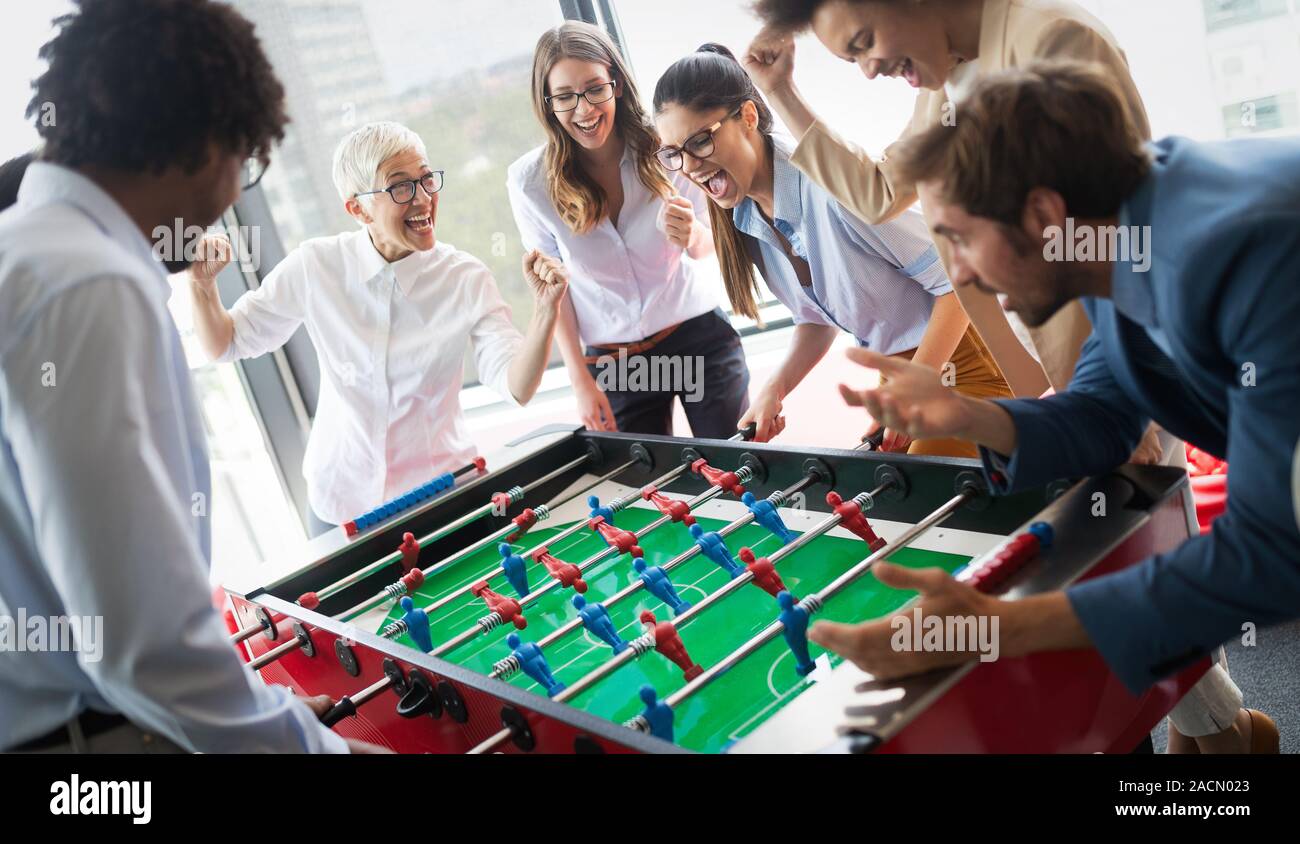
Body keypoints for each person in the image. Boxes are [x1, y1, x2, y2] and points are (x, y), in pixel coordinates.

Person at [818, 61, 1295, 754]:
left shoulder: (1239, 253)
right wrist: (967, 415)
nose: (961, 275)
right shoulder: (1123, 226)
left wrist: (993, 627)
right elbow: (1104, 414)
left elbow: (1271, 554)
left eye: (960, 237)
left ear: (1043, 213)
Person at [0, 0, 379, 753]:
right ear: (205, 143)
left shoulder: (26, 248)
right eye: (248, 160)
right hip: (84, 744)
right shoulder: (89, 282)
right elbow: (141, 639)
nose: (237, 191)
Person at [743, 0, 1145, 404]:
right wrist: (780, 90)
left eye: (865, 43)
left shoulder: (1055, 38)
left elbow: (1114, 227)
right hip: (1051, 369)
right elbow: (878, 193)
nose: (870, 70)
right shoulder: (943, 83)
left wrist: (1119, 394)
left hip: (1117, 371)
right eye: (853, 60)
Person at [190, 121, 567, 531]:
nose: (423, 198)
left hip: (440, 497)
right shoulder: (316, 266)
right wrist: (201, 284)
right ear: (358, 208)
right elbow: (225, 343)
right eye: (400, 187)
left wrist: (546, 310)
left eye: (426, 180)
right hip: (340, 505)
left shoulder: (465, 277)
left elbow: (517, 385)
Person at [652, 45, 1010, 455]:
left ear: (748, 117)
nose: (691, 166)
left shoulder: (831, 188)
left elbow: (961, 283)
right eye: (674, 154)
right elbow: (816, 320)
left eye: (700, 141)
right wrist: (776, 386)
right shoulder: (746, 217)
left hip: (972, 362)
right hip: (902, 377)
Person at [507, 22, 751, 438]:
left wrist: (691, 235)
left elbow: (710, 244)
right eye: (565, 96)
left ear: (616, 83)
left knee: (734, 468)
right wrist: (580, 382)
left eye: (595, 89)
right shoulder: (530, 183)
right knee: (645, 488)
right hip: (618, 363)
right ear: (547, 103)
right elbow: (555, 293)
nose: (584, 110)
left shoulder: (664, 146)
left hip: (696, 337)